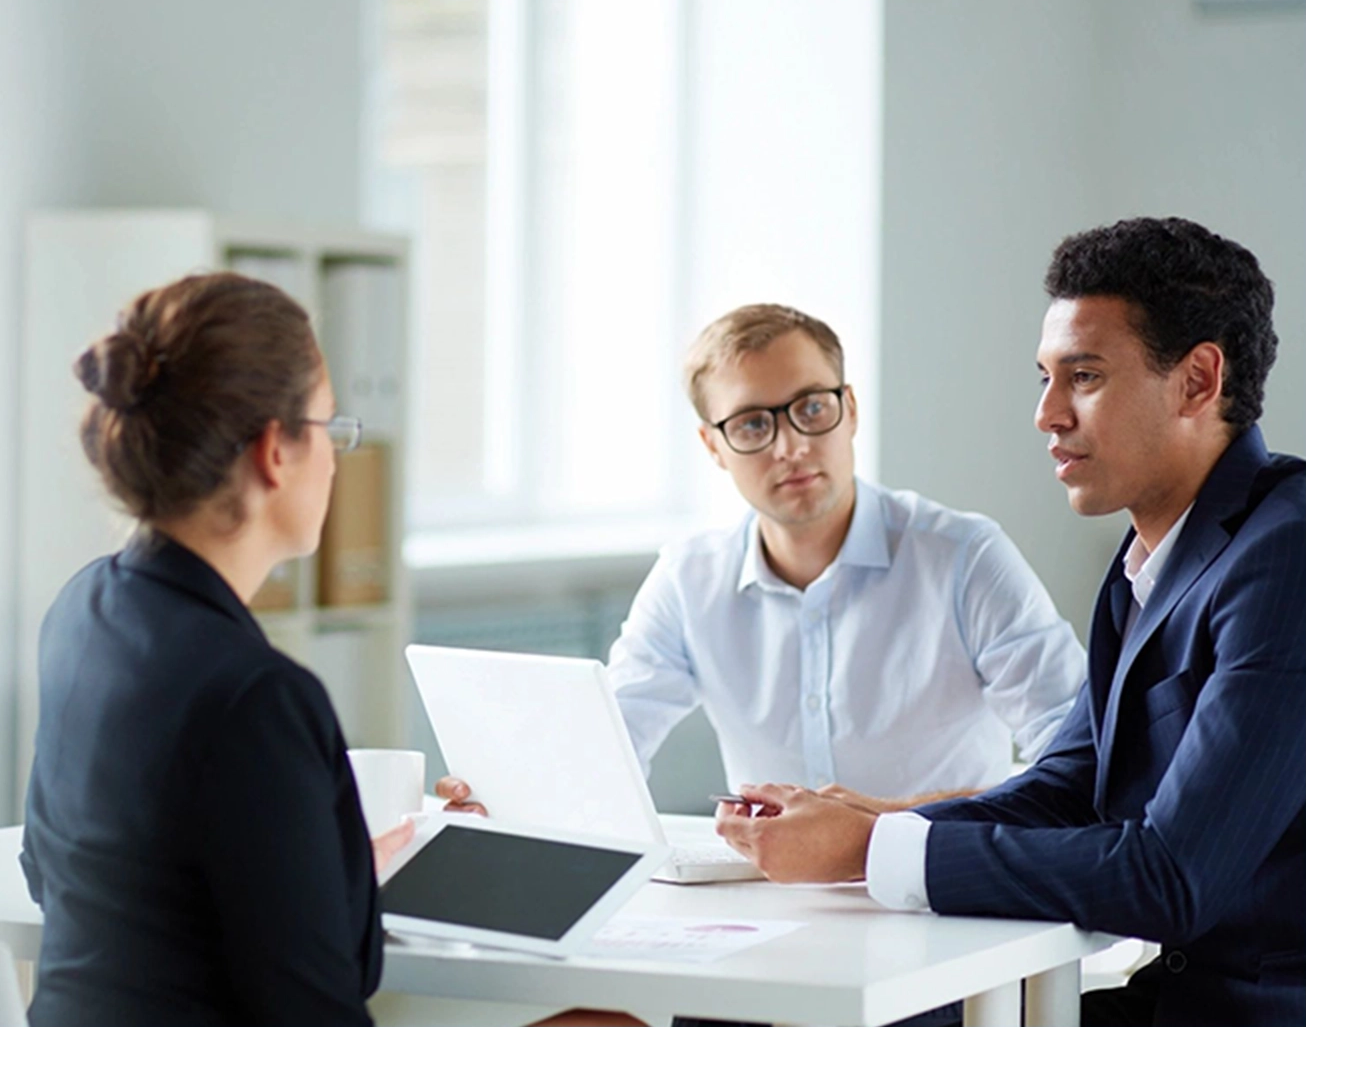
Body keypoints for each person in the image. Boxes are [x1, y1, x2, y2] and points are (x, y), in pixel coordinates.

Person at [716, 218, 1309, 1026]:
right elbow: (1068, 787)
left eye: (1086, 376)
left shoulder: (1294, 555)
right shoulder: (1151, 554)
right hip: (1171, 1000)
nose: (1047, 414)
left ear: (1198, 380)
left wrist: (868, 849)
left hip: (1261, 1019)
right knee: (757, 1021)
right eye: (1045, 378)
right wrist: (868, 823)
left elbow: (1173, 876)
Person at [19, 273, 638, 1028]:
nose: (338, 458)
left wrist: (322, 873)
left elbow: (58, 873)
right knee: (614, 1027)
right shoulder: (256, 694)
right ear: (274, 452)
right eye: (329, 428)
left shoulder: (84, 610)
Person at [604, 303, 1086, 807]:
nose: (790, 447)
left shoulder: (964, 558)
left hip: (941, 876)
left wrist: (878, 828)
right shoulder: (688, 581)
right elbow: (607, 748)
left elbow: (1079, 759)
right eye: (750, 425)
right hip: (767, 886)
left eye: (811, 408)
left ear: (849, 409)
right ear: (713, 446)